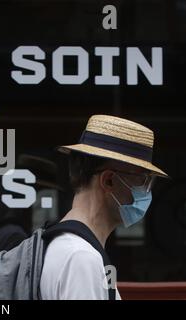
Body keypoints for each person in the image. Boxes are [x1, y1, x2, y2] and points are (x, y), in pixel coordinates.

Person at [40, 114, 169, 300]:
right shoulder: (82, 258)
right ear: (108, 180)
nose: (146, 191)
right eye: (143, 180)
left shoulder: (60, 244)